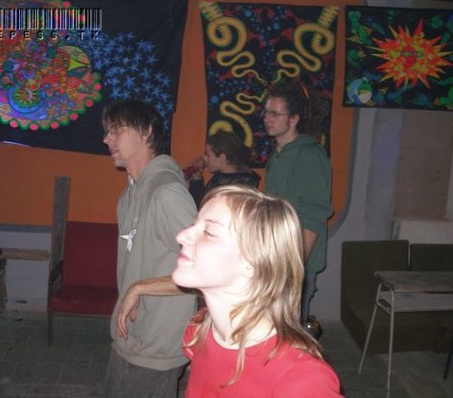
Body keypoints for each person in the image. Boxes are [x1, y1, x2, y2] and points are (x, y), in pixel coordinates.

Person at [172, 185, 342, 397]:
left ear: (253, 264)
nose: (181, 236)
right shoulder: (199, 332)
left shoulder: (302, 380)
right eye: (194, 224)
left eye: (209, 232)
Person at [102, 99, 197, 398]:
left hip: (155, 342)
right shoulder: (128, 196)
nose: (107, 139)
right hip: (130, 335)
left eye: (116, 130)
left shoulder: (167, 192)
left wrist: (140, 288)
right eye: (107, 131)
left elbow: (207, 271)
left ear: (146, 133)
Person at [263, 80, 333, 323]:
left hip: (295, 265)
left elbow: (313, 217)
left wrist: (294, 269)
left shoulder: (311, 156)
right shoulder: (277, 155)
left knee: (289, 332)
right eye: (266, 112)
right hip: (274, 257)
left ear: (293, 119)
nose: (267, 118)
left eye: (275, 114)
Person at [184, 131, 260, 207]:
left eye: (207, 155)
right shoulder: (221, 177)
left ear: (222, 157)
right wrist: (197, 179)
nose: (205, 159)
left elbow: (204, 207)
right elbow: (202, 204)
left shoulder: (237, 188)